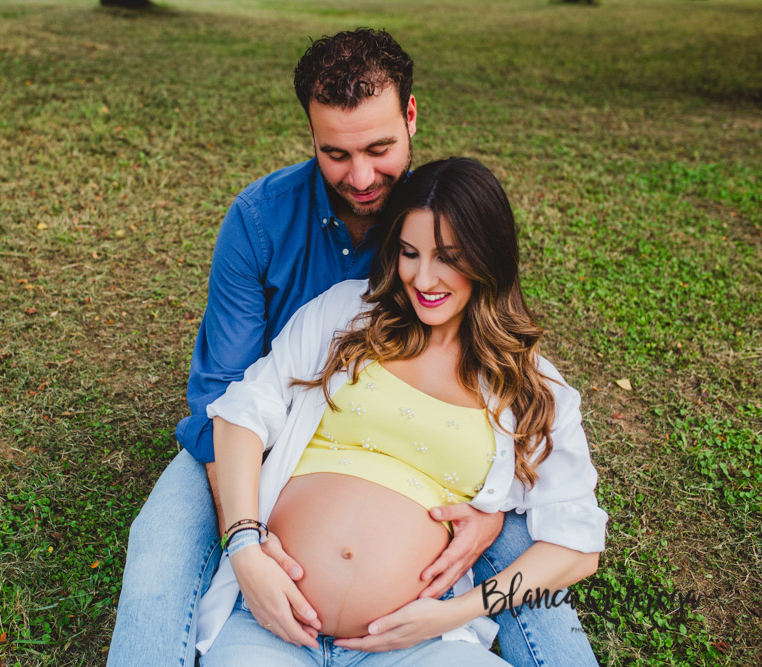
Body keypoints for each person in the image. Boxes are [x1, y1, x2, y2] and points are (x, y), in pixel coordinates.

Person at [108, 29, 597, 666]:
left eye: (379, 147)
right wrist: (246, 536)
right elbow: (229, 402)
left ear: (411, 116)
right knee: (158, 555)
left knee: (537, 590)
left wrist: (493, 521)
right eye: (335, 153)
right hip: (274, 455)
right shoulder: (273, 235)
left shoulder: (439, 211)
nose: (361, 176)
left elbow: (574, 536)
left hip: (430, 554)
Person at [198, 158, 607, 665]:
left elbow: (576, 549)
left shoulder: (531, 387)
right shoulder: (347, 314)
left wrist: (457, 611)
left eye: (448, 258)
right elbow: (241, 415)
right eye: (410, 253)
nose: (423, 277)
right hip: (271, 622)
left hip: (420, 644)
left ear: (488, 259)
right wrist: (245, 548)